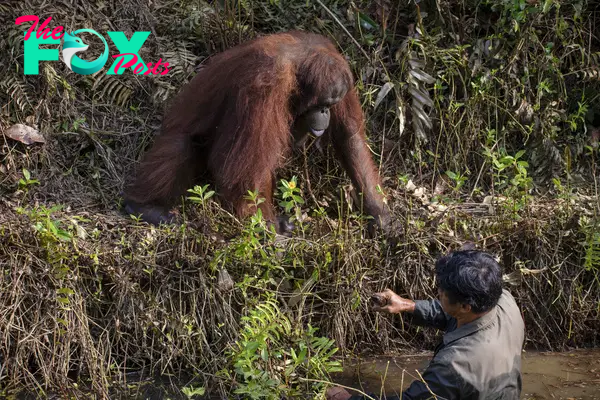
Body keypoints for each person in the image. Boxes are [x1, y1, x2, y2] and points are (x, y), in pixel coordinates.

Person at [327, 249, 525, 400]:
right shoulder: (503, 300)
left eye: (442, 292)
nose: (438, 292)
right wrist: (407, 305)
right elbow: (451, 313)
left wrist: (349, 398)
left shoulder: (455, 364)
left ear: (465, 305)